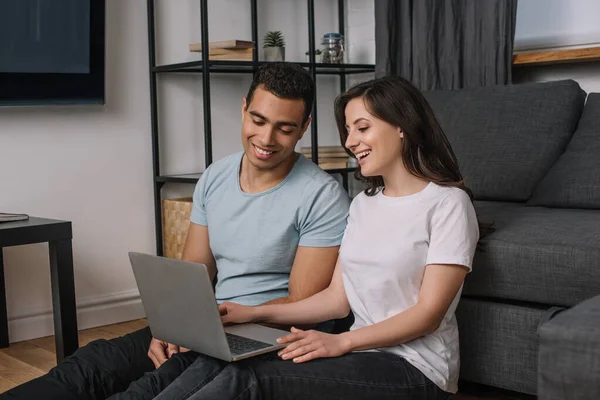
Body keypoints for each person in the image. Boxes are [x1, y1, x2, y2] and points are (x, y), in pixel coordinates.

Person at [1, 63, 350, 400]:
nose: (266, 138)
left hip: (264, 335)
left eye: (284, 129)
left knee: (150, 387)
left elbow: (302, 303)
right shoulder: (216, 177)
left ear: (303, 128)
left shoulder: (321, 195)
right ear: (244, 109)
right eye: (258, 120)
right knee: (92, 364)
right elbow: (194, 271)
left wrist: (213, 330)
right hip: (207, 324)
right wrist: (172, 328)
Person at [152, 75, 491, 400]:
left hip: (416, 369)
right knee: (224, 362)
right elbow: (335, 300)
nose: (349, 141)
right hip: (360, 354)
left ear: (401, 126)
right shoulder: (363, 205)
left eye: (362, 127)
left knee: (250, 379)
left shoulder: (448, 204)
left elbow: (428, 315)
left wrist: (343, 342)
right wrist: (251, 313)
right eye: (348, 130)